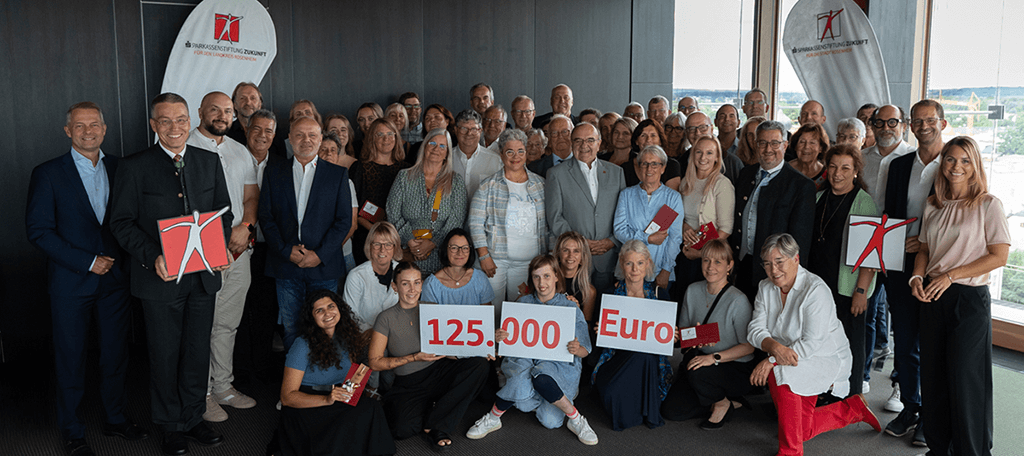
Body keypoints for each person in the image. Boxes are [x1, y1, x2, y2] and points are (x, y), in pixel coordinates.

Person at [109, 93, 232, 454]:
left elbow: (222, 214)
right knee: (164, 355)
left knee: (196, 352)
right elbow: (121, 223)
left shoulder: (209, 162)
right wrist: (153, 256)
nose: (174, 127)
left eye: (180, 120)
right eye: (165, 121)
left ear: (190, 121)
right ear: (153, 125)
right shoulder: (134, 166)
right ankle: (169, 426)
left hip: (203, 277)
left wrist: (222, 243)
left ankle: (193, 418)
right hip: (159, 280)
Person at [26, 101, 148, 456]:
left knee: (114, 355)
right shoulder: (48, 173)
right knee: (70, 357)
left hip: (116, 283)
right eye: (79, 126)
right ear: (68, 131)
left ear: (105, 129)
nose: (88, 131)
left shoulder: (121, 168)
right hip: (70, 283)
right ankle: (72, 429)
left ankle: (114, 418)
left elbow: (132, 220)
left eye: (94, 124)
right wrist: (87, 261)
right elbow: (38, 231)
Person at [910, 136, 1010, 456]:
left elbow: (999, 256)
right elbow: (925, 249)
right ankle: (939, 449)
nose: (957, 166)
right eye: (951, 159)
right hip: (932, 295)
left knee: (967, 383)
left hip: (968, 299)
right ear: (943, 164)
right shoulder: (932, 204)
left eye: (965, 161)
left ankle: (973, 451)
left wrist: (951, 275)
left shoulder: (988, 204)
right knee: (934, 378)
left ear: (975, 165)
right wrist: (916, 276)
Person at [748, 234, 881, 456]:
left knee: (779, 373)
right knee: (798, 429)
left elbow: (811, 344)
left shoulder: (815, 289)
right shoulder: (765, 287)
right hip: (790, 357)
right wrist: (776, 348)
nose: (774, 270)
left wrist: (771, 359)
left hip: (823, 357)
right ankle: (853, 409)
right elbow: (755, 330)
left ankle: (790, 452)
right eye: (768, 264)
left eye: (779, 261)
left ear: (796, 259)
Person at [184, 91, 260, 422]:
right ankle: (199, 394)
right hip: (202, 250)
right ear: (200, 111)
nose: (221, 115)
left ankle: (222, 386)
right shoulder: (185, 147)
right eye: (214, 109)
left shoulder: (239, 150)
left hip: (238, 248)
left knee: (227, 323)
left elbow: (251, 197)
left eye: (227, 111)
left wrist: (246, 227)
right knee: (199, 324)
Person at [466, 255, 597, 445]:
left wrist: (577, 349)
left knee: (550, 421)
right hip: (525, 362)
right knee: (520, 386)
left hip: (556, 367)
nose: (541, 282)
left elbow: (586, 350)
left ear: (556, 277)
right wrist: (500, 337)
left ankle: (550, 400)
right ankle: (494, 418)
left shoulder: (570, 306)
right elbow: (507, 344)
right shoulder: (522, 303)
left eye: (546, 276)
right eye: (536, 277)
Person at [880, 99, 949, 443]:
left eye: (929, 120)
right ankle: (911, 406)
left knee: (933, 344)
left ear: (943, 123)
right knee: (904, 341)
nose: (923, 126)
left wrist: (923, 243)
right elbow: (887, 216)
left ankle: (932, 418)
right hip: (899, 265)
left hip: (938, 268)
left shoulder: (954, 164)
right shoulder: (898, 165)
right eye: (916, 121)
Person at [369, 262, 490, 451]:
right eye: (405, 283)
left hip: (438, 371)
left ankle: (436, 425)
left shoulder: (431, 309)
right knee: (400, 430)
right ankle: (437, 408)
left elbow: (449, 348)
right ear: (395, 286)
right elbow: (374, 363)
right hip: (409, 382)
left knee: (479, 365)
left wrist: (482, 347)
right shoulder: (385, 318)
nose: (412, 289)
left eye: (417, 283)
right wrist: (414, 357)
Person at [259, 116, 353, 353]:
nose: (306, 140)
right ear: (290, 139)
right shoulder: (274, 172)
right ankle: (297, 383)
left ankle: (323, 382)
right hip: (286, 264)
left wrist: (319, 255)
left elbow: (343, 222)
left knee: (326, 327)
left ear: (321, 138)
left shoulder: (337, 174)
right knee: (292, 327)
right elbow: (266, 217)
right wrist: (284, 250)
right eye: (299, 135)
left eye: (312, 135)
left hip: (324, 266)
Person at [277, 290, 395, 456]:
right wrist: (326, 399)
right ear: (312, 318)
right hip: (309, 403)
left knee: (371, 407)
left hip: (338, 393)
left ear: (339, 309)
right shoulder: (301, 345)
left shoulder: (347, 336)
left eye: (331, 306)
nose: (327, 313)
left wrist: (355, 385)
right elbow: (287, 397)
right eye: (319, 310)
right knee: (345, 422)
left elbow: (351, 374)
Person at [807, 144, 879, 396]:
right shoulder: (819, 197)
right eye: (833, 167)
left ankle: (850, 396)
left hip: (848, 287)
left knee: (848, 343)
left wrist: (861, 290)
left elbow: (871, 253)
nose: (838, 173)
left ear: (856, 171)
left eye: (845, 168)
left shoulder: (863, 202)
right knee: (821, 340)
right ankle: (820, 391)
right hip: (818, 283)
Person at [661, 239, 754, 429]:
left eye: (718, 262)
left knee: (698, 373)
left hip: (734, 366)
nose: (711, 267)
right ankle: (725, 401)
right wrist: (685, 336)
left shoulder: (739, 300)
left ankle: (721, 402)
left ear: (729, 265)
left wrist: (714, 357)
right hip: (700, 361)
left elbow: (749, 347)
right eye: (706, 261)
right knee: (671, 411)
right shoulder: (692, 290)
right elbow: (685, 336)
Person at [729, 120, 815, 300]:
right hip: (742, 266)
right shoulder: (746, 174)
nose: (768, 149)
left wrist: (792, 282)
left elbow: (801, 242)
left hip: (776, 273)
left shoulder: (801, 186)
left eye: (775, 143)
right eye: (762, 143)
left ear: (785, 145)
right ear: (755, 145)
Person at [591, 240, 672, 430]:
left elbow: (669, 344)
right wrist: (598, 331)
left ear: (648, 264)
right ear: (621, 264)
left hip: (649, 365)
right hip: (615, 360)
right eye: (629, 263)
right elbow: (597, 341)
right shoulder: (608, 295)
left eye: (640, 263)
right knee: (611, 393)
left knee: (643, 355)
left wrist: (672, 337)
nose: (635, 269)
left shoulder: (661, 295)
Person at [470, 129, 548, 306]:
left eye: (520, 151)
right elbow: (475, 223)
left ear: (527, 152)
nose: (516, 156)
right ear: (501, 153)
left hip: (529, 262)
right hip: (495, 261)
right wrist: (484, 257)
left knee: (521, 309)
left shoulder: (541, 184)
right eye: (509, 151)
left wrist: (548, 256)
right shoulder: (487, 185)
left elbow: (547, 224)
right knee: (492, 308)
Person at [547, 122, 627, 292]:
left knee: (603, 312)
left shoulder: (616, 172)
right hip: (573, 260)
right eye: (578, 140)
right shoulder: (556, 174)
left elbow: (624, 215)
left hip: (608, 257)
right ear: (571, 143)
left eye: (590, 140)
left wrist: (612, 241)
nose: (584, 146)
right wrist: (580, 244)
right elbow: (555, 218)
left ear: (599, 143)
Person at [236, 109, 282, 388]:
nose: (262, 135)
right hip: (237, 248)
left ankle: (261, 372)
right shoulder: (230, 160)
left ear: (274, 136)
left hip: (269, 250)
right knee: (237, 314)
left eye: (268, 131)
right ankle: (238, 374)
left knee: (265, 313)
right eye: (257, 129)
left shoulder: (281, 166)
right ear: (246, 130)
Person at [387, 128, 467, 275]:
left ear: (448, 153)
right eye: (432, 143)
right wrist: (410, 241)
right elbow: (392, 213)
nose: (437, 149)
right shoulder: (404, 177)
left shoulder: (455, 181)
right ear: (424, 146)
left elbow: (456, 219)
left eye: (443, 146)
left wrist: (433, 243)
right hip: (407, 253)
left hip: (442, 257)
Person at [613, 145, 683, 290]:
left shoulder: (673, 198)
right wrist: (647, 238)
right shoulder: (626, 195)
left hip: (659, 271)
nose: (649, 169)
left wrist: (666, 270)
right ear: (638, 168)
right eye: (644, 164)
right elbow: (619, 230)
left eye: (654, 164)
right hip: (629, 271)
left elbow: (675, 237)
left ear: (663, 168)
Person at [673, 136, 735, 298]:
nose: (703, 158)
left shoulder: (722, 184)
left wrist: (702, 254)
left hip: (709, 260)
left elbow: (726, 229)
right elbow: (678, 216)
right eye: (699, 152)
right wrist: (684, 226)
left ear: (716, 158)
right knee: (683, 299)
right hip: (685, 252)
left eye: (709, 153)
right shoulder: (686, 182)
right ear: (692, 154)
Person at [349, 118, 409, 264]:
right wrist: (377, 232)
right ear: (371, 139)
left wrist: (392, 235)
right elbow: (352, 208)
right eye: (380, 134)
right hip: (368, 237)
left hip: (400, 238)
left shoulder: (407, 169)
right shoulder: (359, 168)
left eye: (390, 134)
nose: (386, 139)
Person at [344, 222, 402, 334]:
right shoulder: (356, 276)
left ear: (395, 247)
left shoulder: (402, 272)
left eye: (388, 244)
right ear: (369, 246)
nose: (382, 250)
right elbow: (350, 316)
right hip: (364, 334)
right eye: (377, 244)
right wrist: (375, 334)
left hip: (396, 333)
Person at [421, 228, 494, 306]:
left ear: (470, 251)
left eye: (465, 248)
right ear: (445, 249)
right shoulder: (431, 285)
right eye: (454, 248)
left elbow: (487, 314)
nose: (460, 252)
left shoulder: (480, 278)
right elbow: (429, 317)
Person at [862, 104, 911, 212]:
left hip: (900, 226)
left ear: (904, 126)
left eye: (892, 122)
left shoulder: (914, 158)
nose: (886, 128)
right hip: (862, 224)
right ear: (873, 127)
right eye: (879, 122)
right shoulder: (861, 158)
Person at [450, 109, 502, 203]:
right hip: (449, 217)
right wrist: (435, 215)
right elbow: (437, 192)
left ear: (480, 131)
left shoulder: (495, 161)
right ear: (456, 130)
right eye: (464, 128)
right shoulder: (445, 158)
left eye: (474, 129)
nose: (469, 133)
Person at [679, 111, 743, 183]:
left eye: (703, 127)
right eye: (691, 129)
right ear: (686, 133)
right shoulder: (682, 161)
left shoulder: (732, 162)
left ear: (711, 129)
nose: (697, 133)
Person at [621, 120, 682, 190]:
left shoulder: (672, 165)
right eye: (643, 135)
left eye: (653, 135)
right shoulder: (625, 168)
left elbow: (671, 198)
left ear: (660, 140)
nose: (648, 140)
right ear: (636, 141)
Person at [555, 231, 597, 323]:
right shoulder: (546, 282)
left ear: (582, 257)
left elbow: (585, 329)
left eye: (576, 251)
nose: (571, 256)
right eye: (566, 250)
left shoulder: (589, 291)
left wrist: (577, 311)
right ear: (558, 254)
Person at [787, 123, 829, 189]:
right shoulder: (785, 170)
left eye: (812, 143)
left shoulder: (827, 176)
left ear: (821, 148)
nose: (806, 147)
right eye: (802, 142)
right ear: (795, 146)